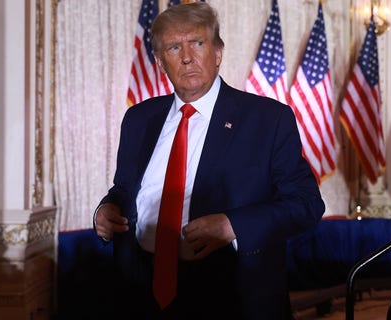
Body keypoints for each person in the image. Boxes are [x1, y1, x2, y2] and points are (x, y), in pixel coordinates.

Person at [94, 2, 324, 319]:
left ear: (217, 53)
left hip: (230, 294)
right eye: (174, 47)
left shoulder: (268, 119)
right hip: (141, 290)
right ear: (160, 61)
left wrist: (233, 225)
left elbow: (306, 204)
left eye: (198, 43)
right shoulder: (139, 119)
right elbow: (124, 189)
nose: (187, 57)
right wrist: (106, 209)